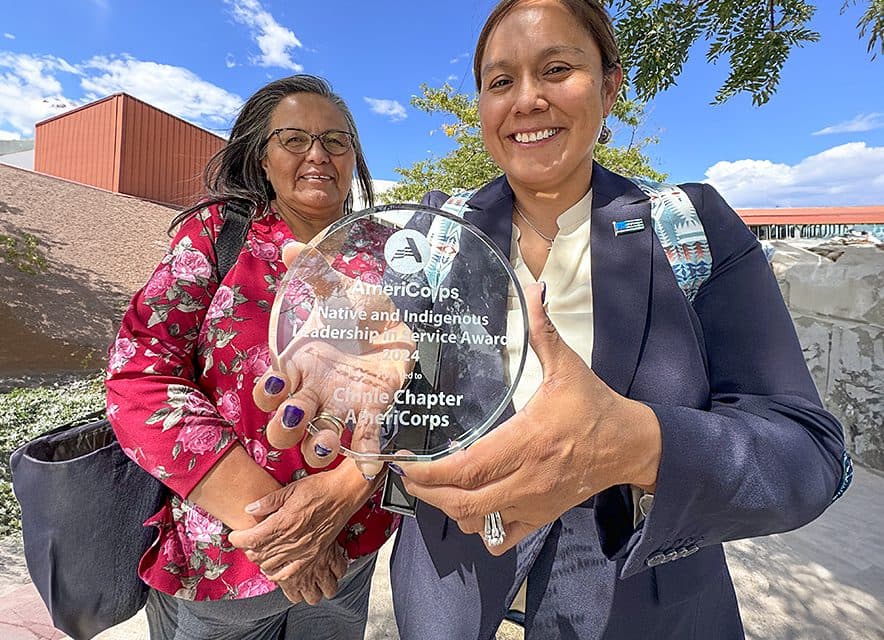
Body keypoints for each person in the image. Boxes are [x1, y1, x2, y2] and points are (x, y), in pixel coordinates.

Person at [258, 1, 852, 638]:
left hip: (635, 590)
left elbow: (809, 454)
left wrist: (639, 443)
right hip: (451, 581)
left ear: (611, 85)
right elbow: (400, 395)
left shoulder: (691, 228)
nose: (528, 100)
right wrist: (362, 396)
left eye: (558, 68)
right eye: (500, 81)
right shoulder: (434, 238)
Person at [105, 74, 399, 640]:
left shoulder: (389, 252)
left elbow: (429, 390)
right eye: (294, 139)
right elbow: (140, 375)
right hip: (226, 562)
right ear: (262, 159)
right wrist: (283, 530)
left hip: (349, 548)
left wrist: (340, 496)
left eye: (336, 141)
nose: (318, 154)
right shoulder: (220, 233)